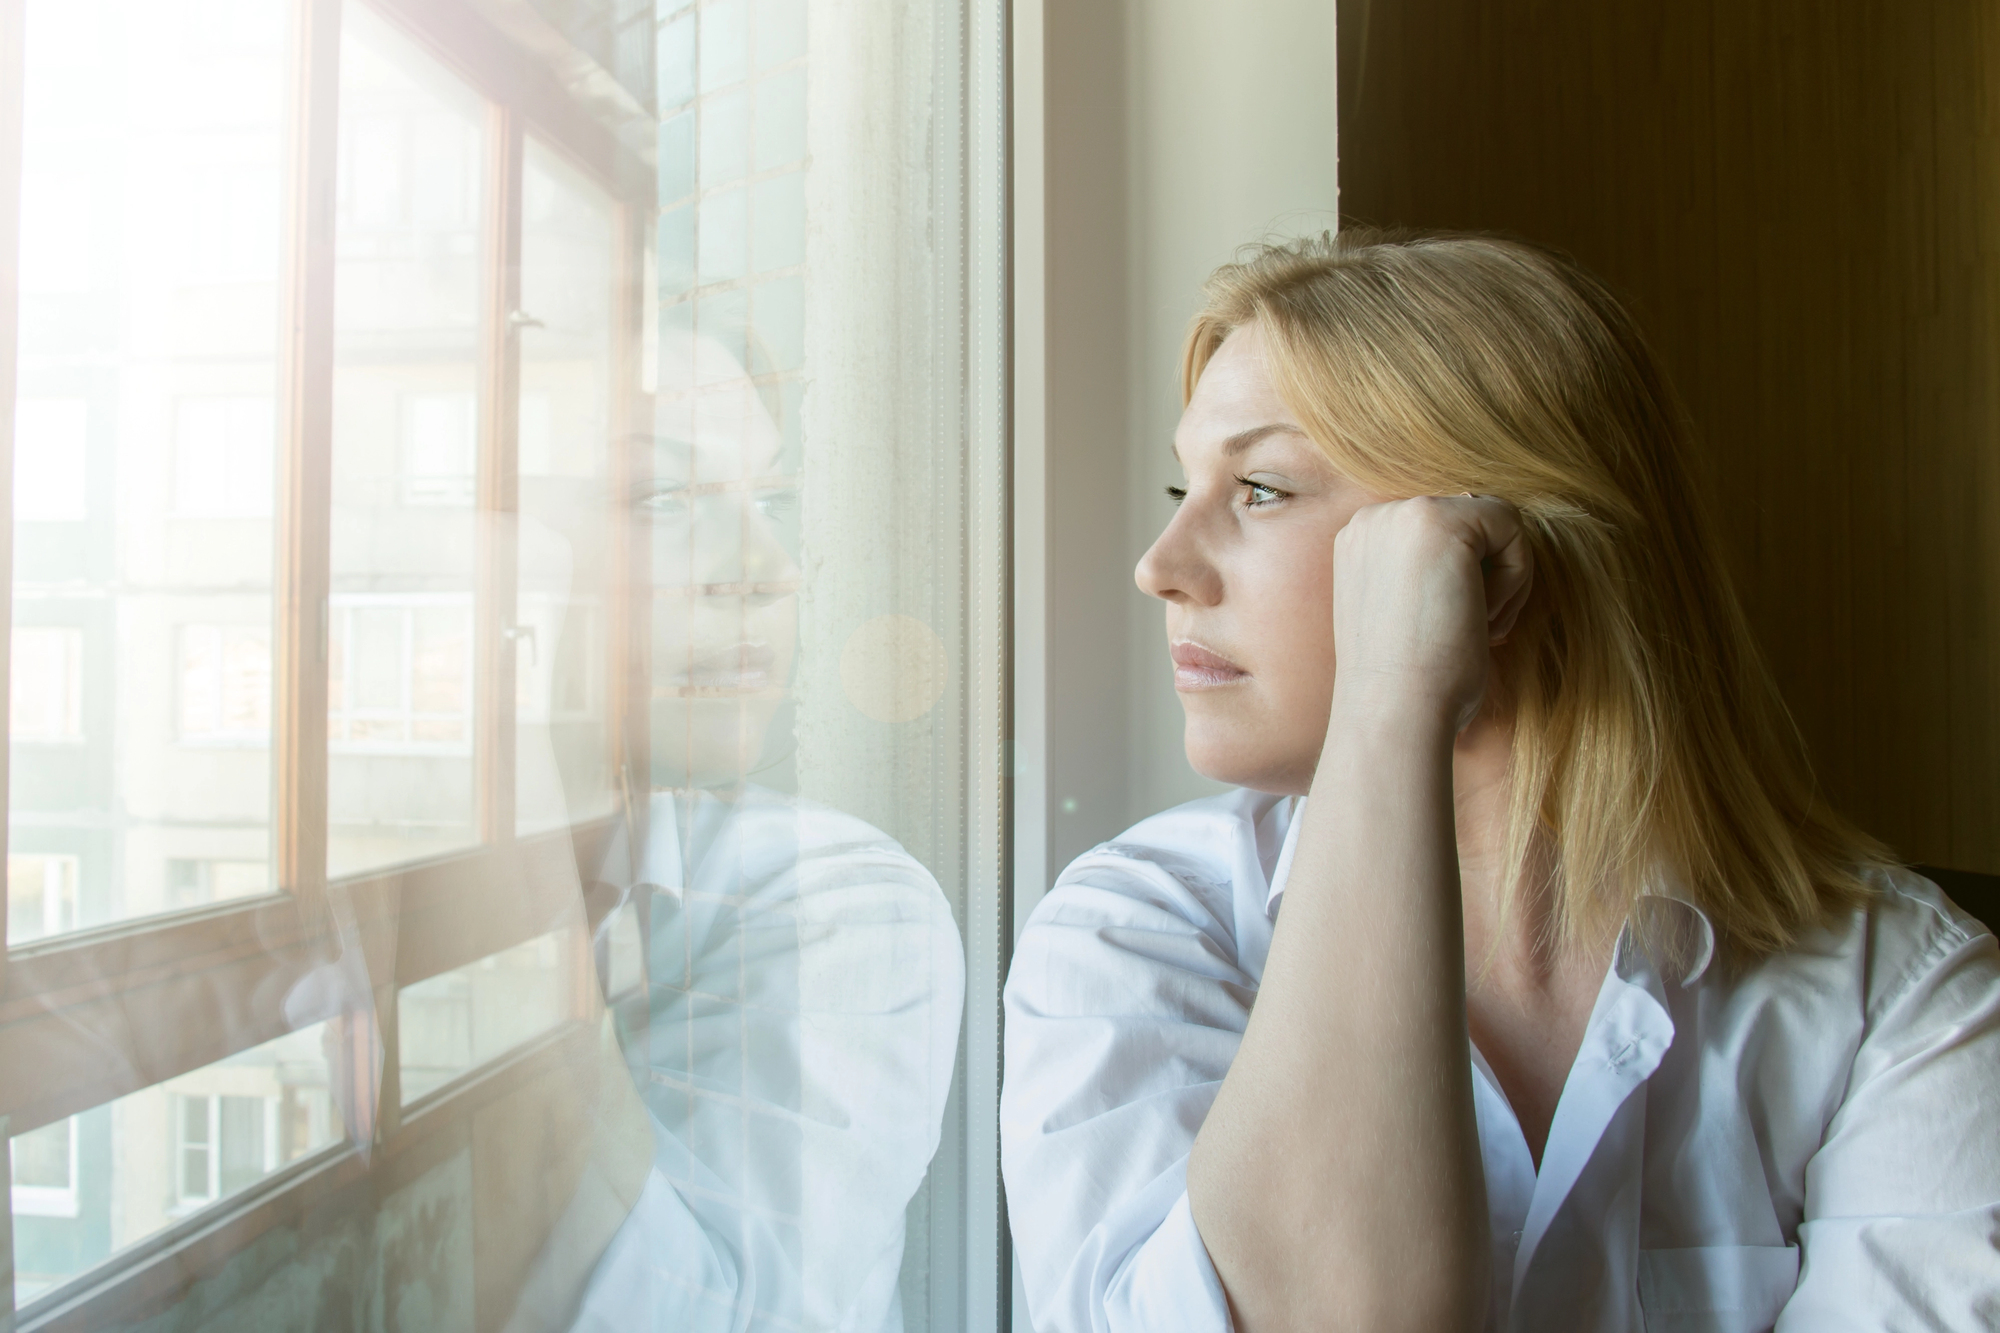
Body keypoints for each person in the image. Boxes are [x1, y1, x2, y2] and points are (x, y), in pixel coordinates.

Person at [1000, 230, 2000, 1333]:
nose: (1159, 563)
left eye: (1263, 489)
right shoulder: (1134, 936)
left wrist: (1400, 686)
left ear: (1494, 551)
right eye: (1182, 484)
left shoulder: (1893, 992)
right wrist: (1390, 713)